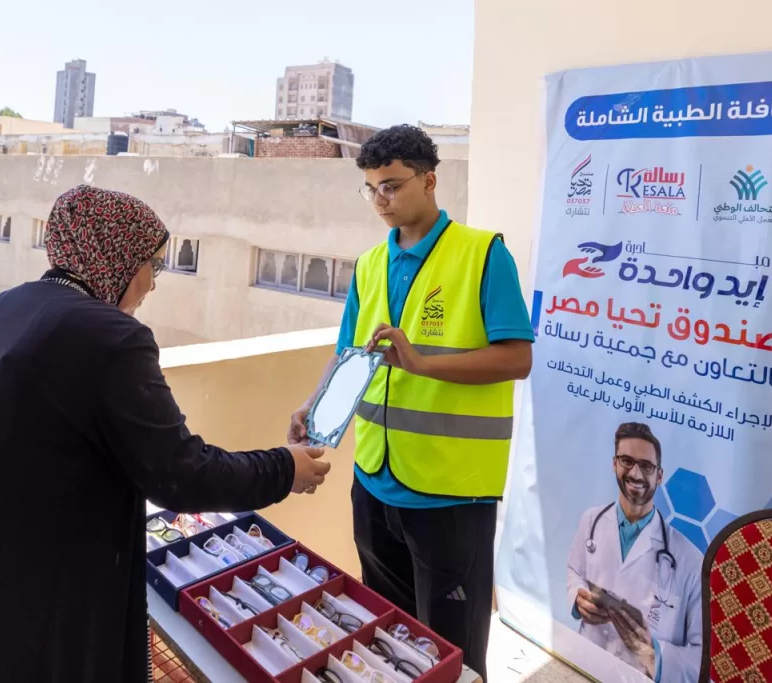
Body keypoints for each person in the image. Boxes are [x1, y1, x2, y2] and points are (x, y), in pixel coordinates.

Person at [0, 185, 331, 683]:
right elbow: (179, 474)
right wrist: (285, 467)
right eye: (153, 265)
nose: (153, 284)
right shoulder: (107, 335)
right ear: (120, 257)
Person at [289, 125, 534, 680]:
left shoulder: (483, 254)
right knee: (385, 633)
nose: (381, 199)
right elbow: (349, 354)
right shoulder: (370, 263)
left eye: (393, 186)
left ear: (429, 181)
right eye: (371, 188)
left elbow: (518, 358)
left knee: (451, 653)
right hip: (374, 479)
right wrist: (312, 404)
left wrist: (422, 364)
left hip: (450, 493)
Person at [566, 422, 702, 683]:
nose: (636, 473)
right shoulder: (591, 520)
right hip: (585, 667)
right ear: (614, 464)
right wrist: (577, 598)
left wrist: (654, 655)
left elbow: (704, 658)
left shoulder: (690, 560)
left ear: (659, 476)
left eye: (647, 466)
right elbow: (575, 571)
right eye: (627, 461)